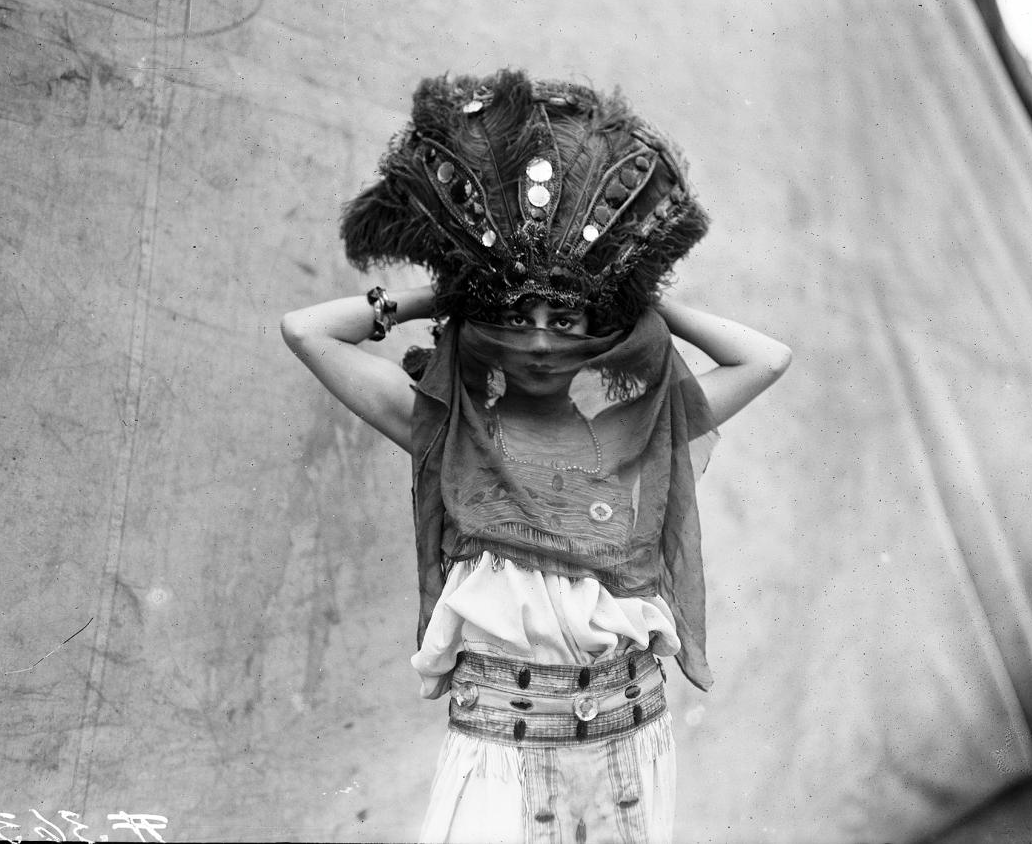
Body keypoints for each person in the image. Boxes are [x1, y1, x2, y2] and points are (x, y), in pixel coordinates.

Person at [281, 69, 791, 844]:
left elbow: (767, 358)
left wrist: (642, 304)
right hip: (500, 744)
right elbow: (305, 331)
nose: (543, 339)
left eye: (569, 316)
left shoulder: (641, 430)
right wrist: (438, 298)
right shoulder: (445, 426)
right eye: (516, 316)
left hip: (627, 735)